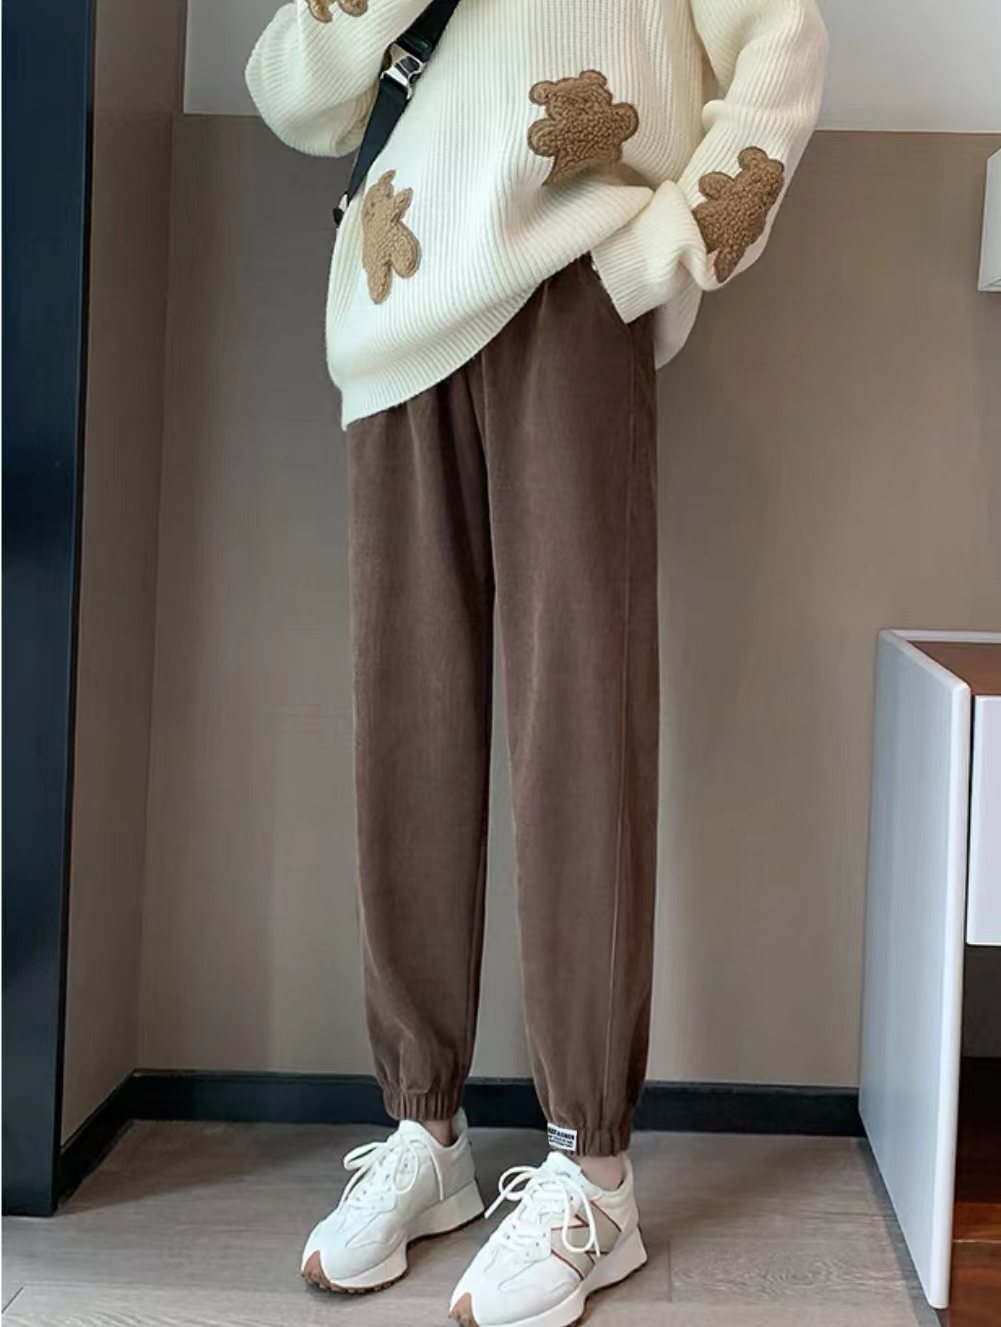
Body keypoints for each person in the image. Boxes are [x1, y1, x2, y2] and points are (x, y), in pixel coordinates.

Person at [246, 1, 826, 1322]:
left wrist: (666, 251)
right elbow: (292, 93)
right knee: (407, 732)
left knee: (580, 727)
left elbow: (782, 41)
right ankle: (424, 1130)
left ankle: (594, 1174)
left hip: (572, 287)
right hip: (392, 305)